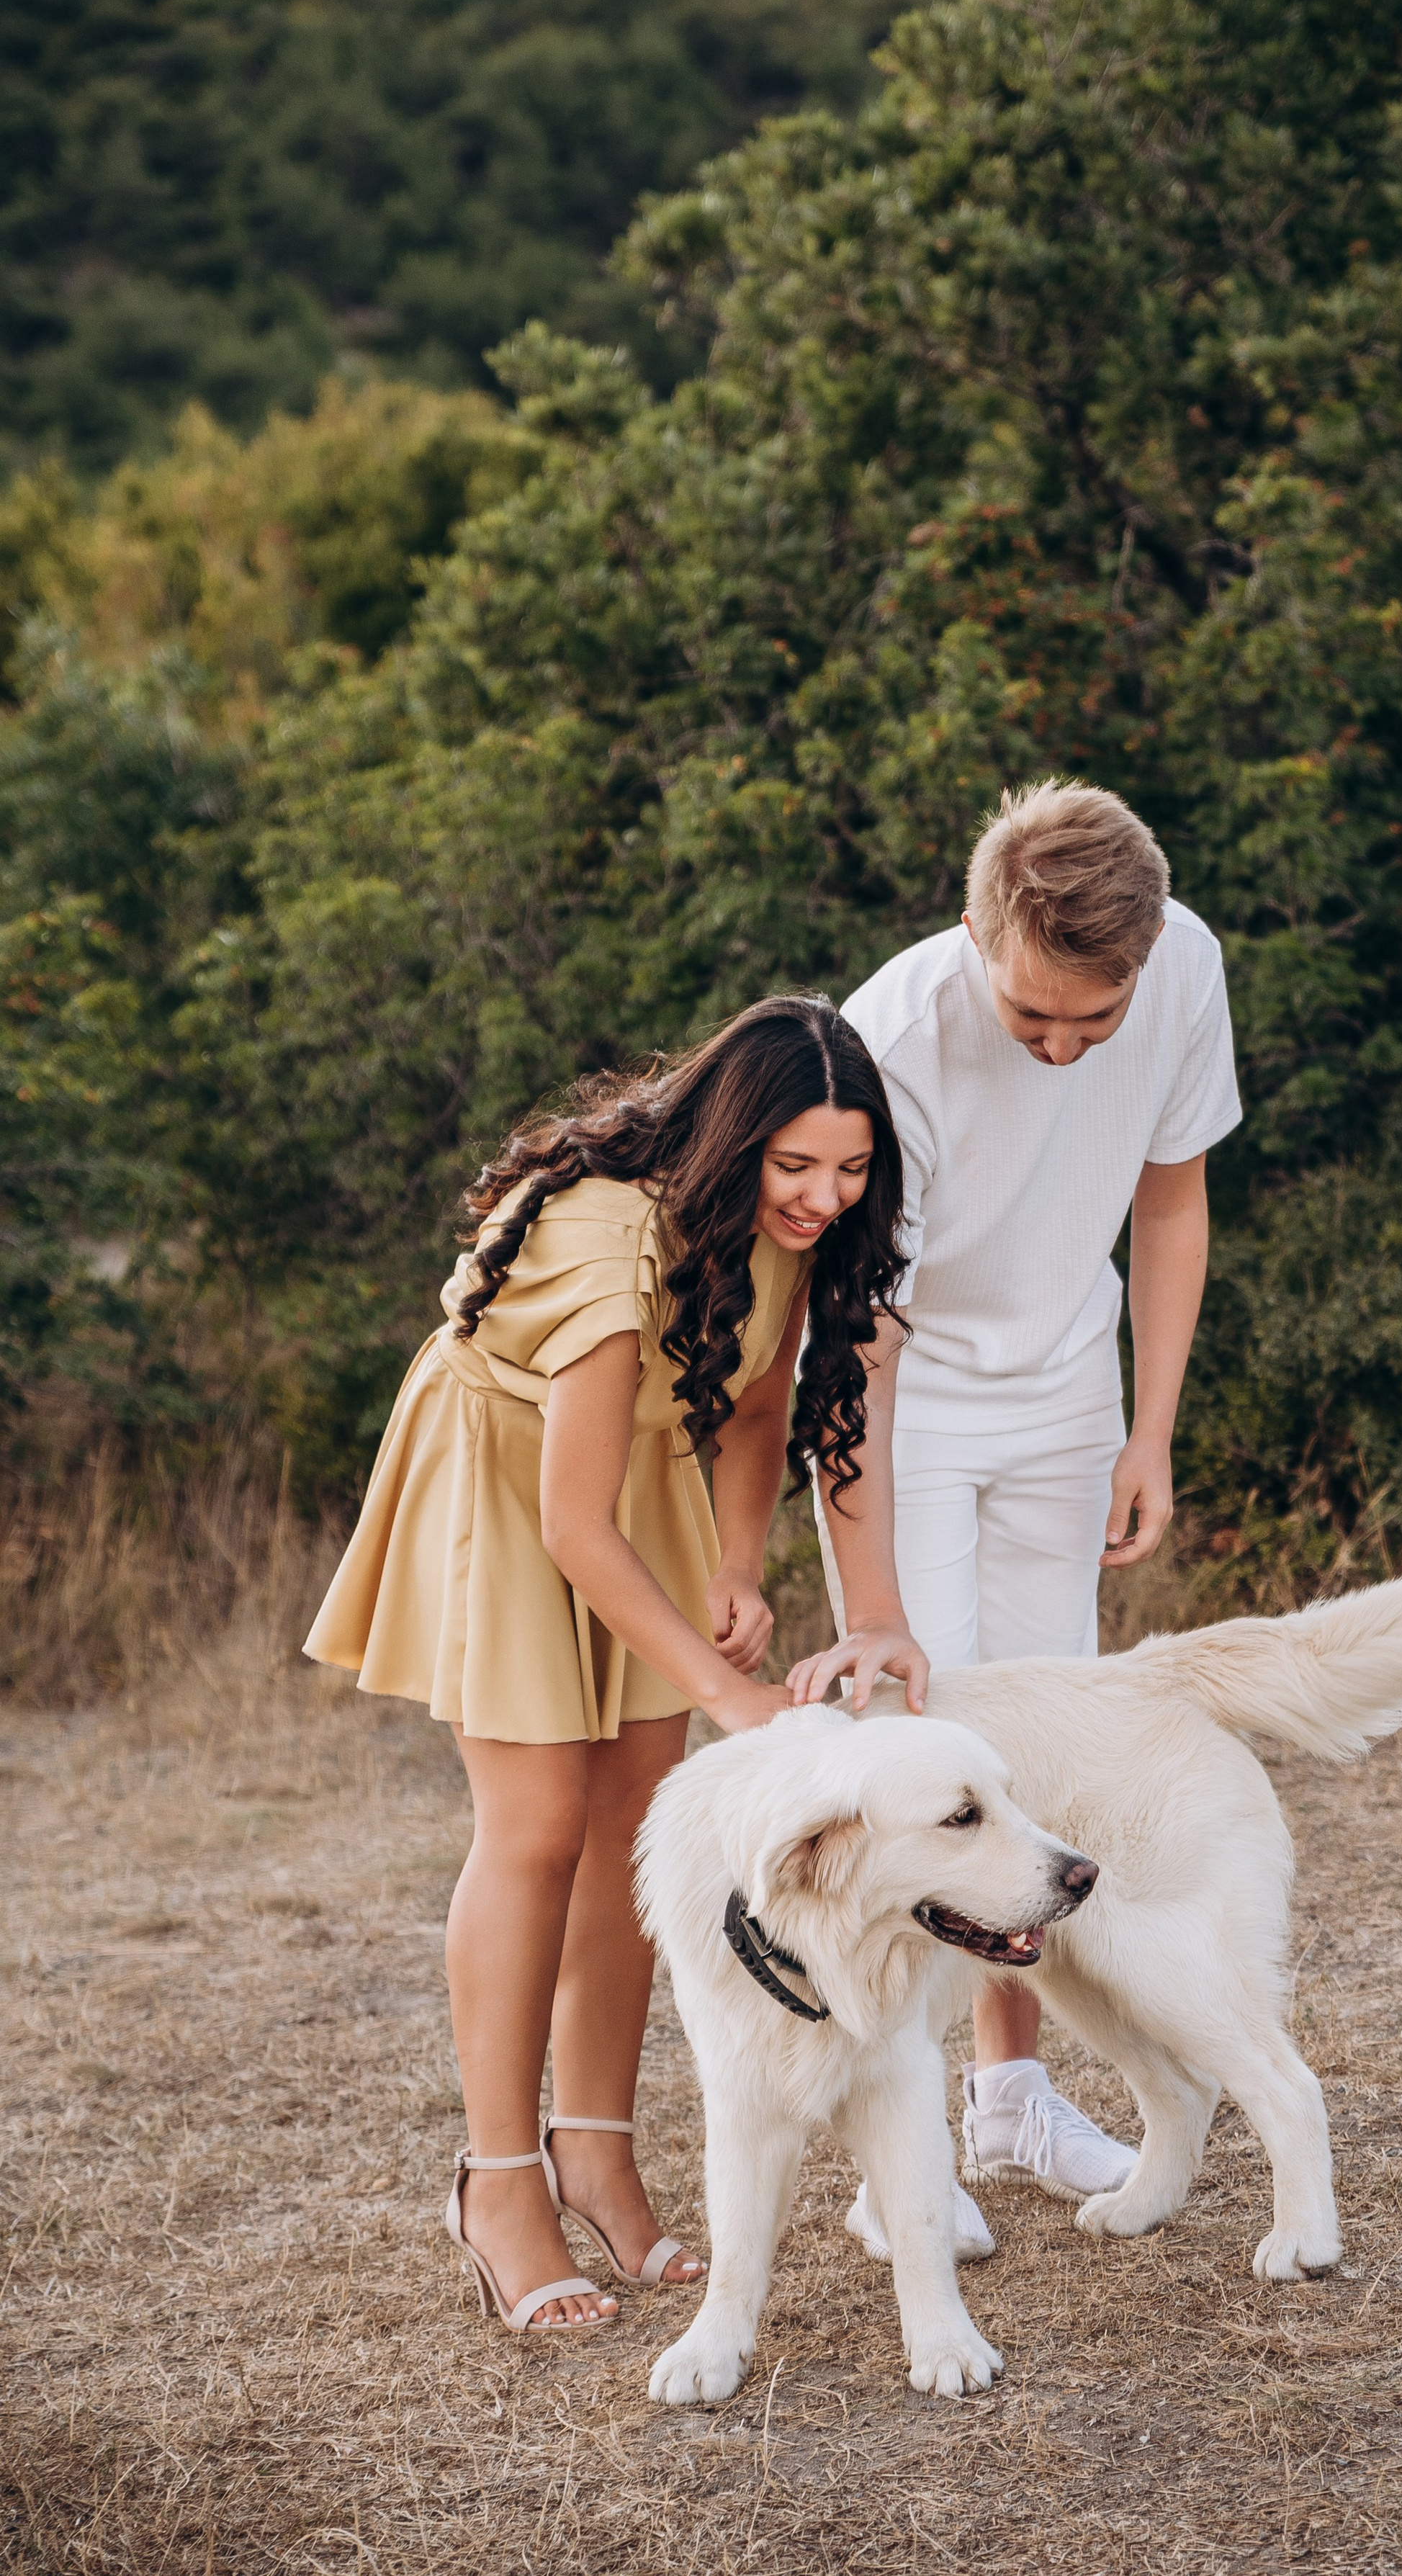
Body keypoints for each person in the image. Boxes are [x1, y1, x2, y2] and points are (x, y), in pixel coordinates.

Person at [305, 997, 909, 2334]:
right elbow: (569, 1523)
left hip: (643, 1476)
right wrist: (729, 1688)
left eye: (852, 1167)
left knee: (636, 1830)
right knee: (535, 1831)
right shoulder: (608, 1231)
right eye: (794, 1165)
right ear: (733, 1138)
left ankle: (595, 2145)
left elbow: (756, 1403)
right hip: (514, 1478)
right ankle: (499, 2181)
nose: (821, 1197)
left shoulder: (792, 1239)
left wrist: (737, 1568)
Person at [787, 780, 1239, 2238]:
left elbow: (1170, 1199)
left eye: (1088, 1025)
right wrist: (871, 1610)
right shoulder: (893, 1033)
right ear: (973, 931)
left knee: (1038, 1766)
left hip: (1066, 1396)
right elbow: (857, 1330)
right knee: (916, 1757)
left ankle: (1010, 2108)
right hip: (905, 1399)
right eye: (1030, 1016)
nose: (1058, 1048)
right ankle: (891, 2155)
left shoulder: (1185, 968)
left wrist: (1147, 1429)